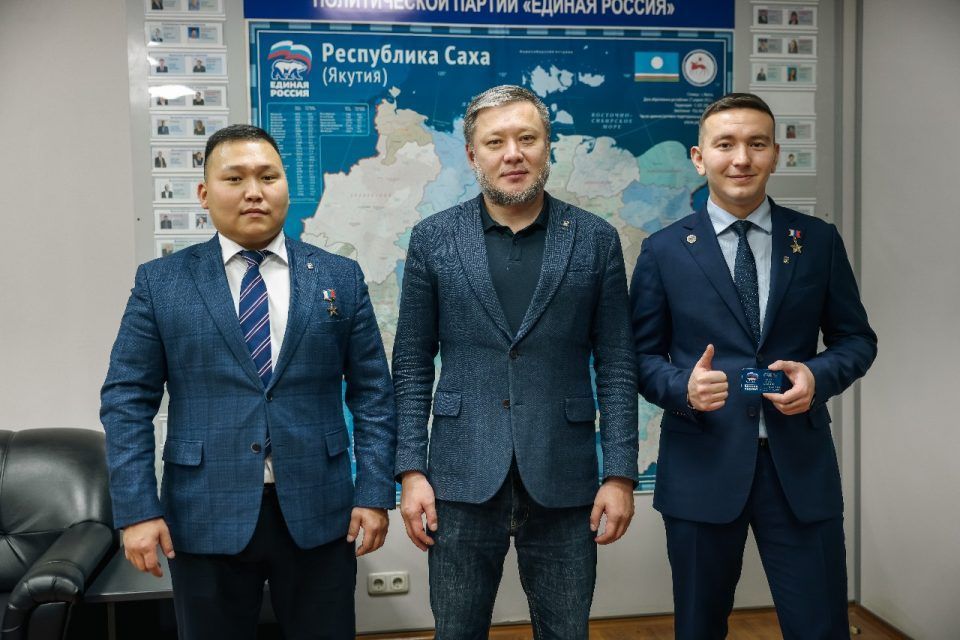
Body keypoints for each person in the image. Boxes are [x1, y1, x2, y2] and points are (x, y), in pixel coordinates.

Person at [101, 124, 397, 640]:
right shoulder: (162, 282)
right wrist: (137, 511)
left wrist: (374, 492)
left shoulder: (339, 276)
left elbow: (373, 393)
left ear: (286, 186)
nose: (254, 191)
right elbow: (126, 399)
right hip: (203, 511)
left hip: (320, 510)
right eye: (234, 178)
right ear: (204, 193)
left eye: (268, 176)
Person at [393, 85, 638, 639]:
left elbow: (618, 364)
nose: (513, 154)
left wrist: (620, 474)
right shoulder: (433, 238)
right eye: (495, 141)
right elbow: (411, 363)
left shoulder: (596, 240)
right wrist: (411, 471)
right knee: (457, 631)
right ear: (472, 154)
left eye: (527, 138)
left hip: (564, 474)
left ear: (548, 146)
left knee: (566, 632)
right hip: (459, 478)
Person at [630, 93, 877, 639]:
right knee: (699, 628)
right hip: (702, 466)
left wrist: (818, 376)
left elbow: (856, 340)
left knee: (820, 627)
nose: (741, 158)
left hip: (799, 471)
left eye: (756, 144)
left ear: (775, 154)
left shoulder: (817, 242)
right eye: (725, 145)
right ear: (700, 158)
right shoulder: (663, 251)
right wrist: (683, 387)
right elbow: (640, 358)